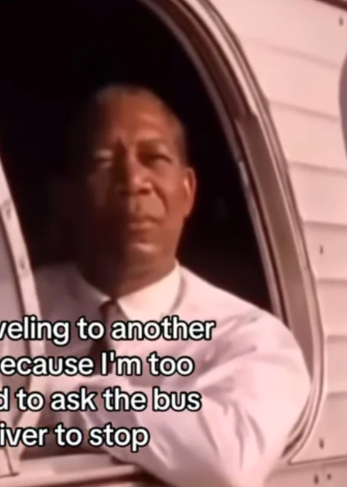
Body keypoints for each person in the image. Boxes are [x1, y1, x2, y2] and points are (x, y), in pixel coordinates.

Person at [33, 83, 311, 487]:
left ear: (187, 192)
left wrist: (56, 396)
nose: (133, 180)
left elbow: (227, 459)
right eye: (104, 161)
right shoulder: (1, 311)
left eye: (155, 158)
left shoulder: (247, 337)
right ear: (65, 197)